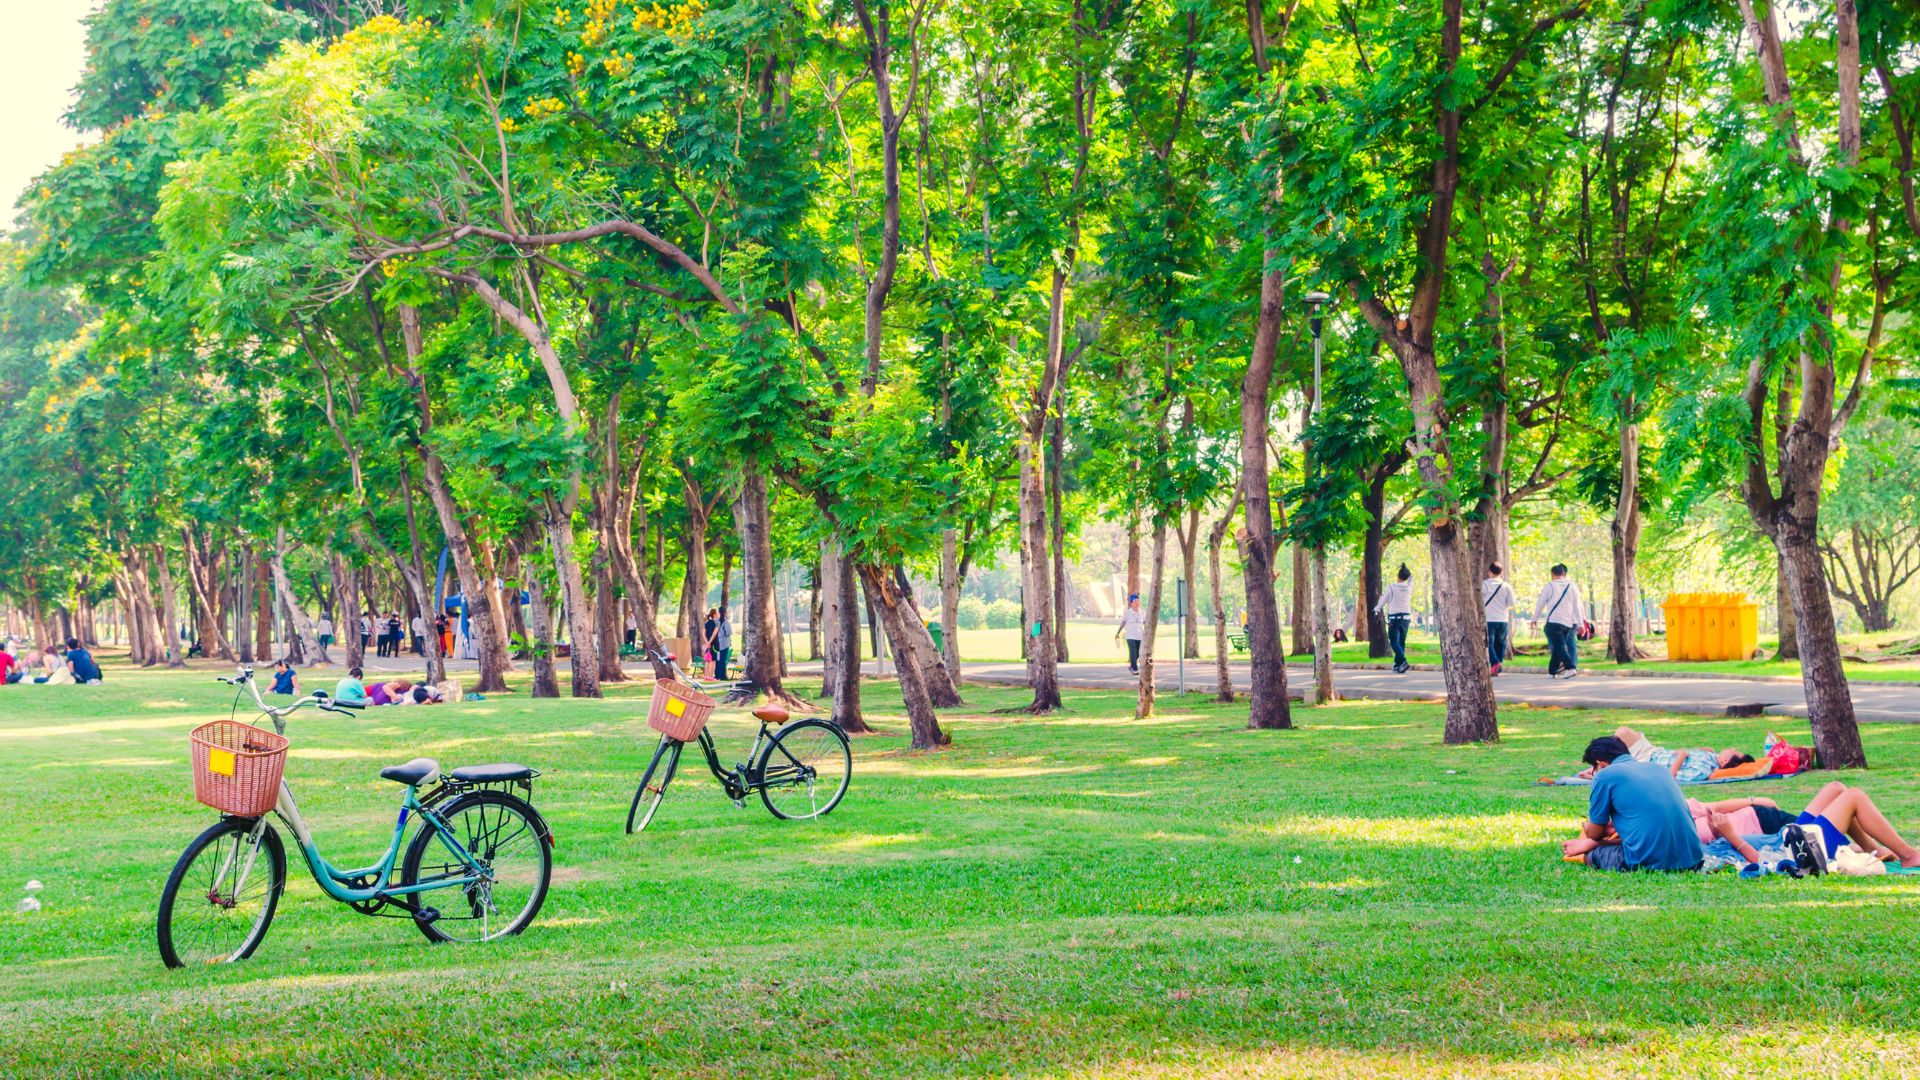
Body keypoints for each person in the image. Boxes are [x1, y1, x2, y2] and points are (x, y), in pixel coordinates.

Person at [1560, 735, 1704, 872]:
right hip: (1693, 860)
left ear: (1600, 764)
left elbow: (1594, 833)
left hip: (1649, 862)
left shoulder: (1604, 776)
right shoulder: (1660, 769)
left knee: (1594, 854)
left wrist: (1589, 829)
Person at [1610, 725, 1753, 784]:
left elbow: (1669, 778)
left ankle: (1601, 766)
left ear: (1725, 760)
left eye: (1733, 750)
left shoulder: (1703, 770)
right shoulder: (1710, 755)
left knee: (1615, 744)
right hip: (1653, 751)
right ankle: (1602, 764)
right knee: (1623, 732)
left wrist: (1681, 756)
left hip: (1646, 762)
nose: (1731, 747)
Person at [1534, 564, 1587, 678]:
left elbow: (1540, 603)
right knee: (1559, 646)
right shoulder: (1572, 587)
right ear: (1564, 574)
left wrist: (1535, 618)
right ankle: (1552, 671)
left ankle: (1570, 667)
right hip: (1568, 624)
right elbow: (1577, 606)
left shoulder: (1549, 586)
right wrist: (1580, 623)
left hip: (1553, 622)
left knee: (1559, 646)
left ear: (1552, 574)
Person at [1373, 564, 1415, 674]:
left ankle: (1403, 661)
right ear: (1406, 577)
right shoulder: (1409, 588)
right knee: (1401, 642)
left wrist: (1376, 609)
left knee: (1394, 642)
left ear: (1398, 576)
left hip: (1394, 620)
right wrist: (1408, 572)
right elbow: (1411, 579)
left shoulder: (1391, 587)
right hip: (1406, 619)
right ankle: (1398, 665)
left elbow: (1383, 599)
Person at [1481, 562, 1514, 676]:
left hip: (1489, 619)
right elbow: (1511, 603)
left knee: (1488, 643)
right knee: (1501, 644)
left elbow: (1479, 601)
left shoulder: (1484, 585)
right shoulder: (1506, 586)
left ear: (1489, 571)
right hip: (1503, 620)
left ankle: (1495, 663)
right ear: (1501, 572)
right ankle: (1497, 665)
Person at [1116, 593, 1148, 673]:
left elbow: (1145, 623)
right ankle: (1135, 669)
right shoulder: (1128, 613)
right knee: (1133, 651)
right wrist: (1118, 633)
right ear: (1131, 603)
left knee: (1138, 653)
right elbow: (1123, 623)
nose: (1137, 603)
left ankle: (1131, 666)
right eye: (1135, 602)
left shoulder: (1143, 612)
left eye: (1138, 601)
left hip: (1140, 635)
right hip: (1130, 635)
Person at [713, 608, 733, 681]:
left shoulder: (716, 621)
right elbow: (728, 632)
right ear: (725, 612)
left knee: (718, 660)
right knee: (723, 660)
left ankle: (717, 675)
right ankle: (723, 676)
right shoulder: (725, 622)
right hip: (724, 644)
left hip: (717, 645)